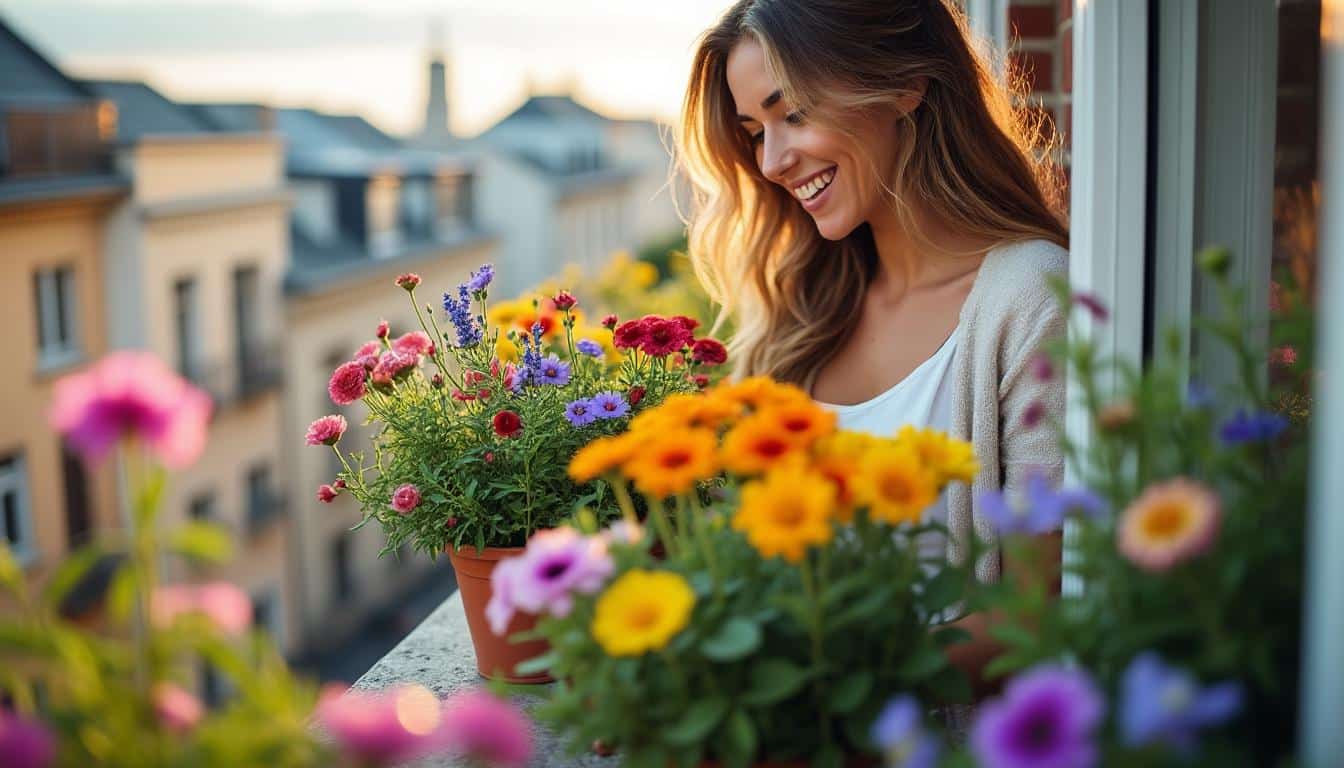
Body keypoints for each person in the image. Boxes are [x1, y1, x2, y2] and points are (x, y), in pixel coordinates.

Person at [676, 0, 1068, 694]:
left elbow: (1032, 617)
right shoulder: (801, 310)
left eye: (794, 112)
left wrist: (819, 686)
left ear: (904, 84)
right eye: (755, 131)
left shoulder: (1029, 297)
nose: (772, 161)